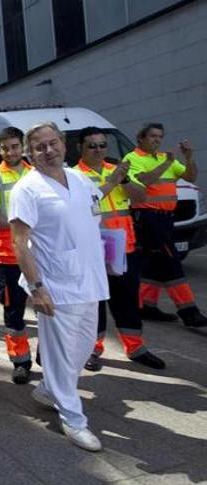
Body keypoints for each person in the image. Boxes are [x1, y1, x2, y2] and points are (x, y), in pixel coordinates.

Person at [9, 121, 107, 452]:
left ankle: (50, 389)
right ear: (29, 153)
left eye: (53, 143)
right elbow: (19, 243)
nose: (48, 150)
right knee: (63, 356)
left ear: (64, 145)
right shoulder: (27, 188)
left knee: (82, 348)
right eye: (39, 146)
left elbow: (91, 219)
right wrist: (37, 287)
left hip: (89, 278)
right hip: (55, 284)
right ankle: (73, 419)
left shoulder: (81, 179)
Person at [72, 128, 166, 371]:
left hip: (122, 246)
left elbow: (139, 197)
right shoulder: (73, 176)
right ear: (80, 148)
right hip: (92, 248)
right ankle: (92, 348)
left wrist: (123, 179)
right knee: (95, 301)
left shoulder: (117, 170)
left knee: (127, 299)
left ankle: (135, 347)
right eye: (92, 145)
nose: (99, 150)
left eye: (103, 145)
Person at [126, 123, 207, 327]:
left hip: (166, 218)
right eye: (153, 136)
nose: (157, 140)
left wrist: (188, 158)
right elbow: (143, 181)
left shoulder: (165, 158)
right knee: (171, 261)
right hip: (147, 217)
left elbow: (189, 177)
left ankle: (145, 305)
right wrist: (166, 163)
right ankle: (189, 311)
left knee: (155, 262)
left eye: (160, 136)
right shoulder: (132, 158)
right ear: (141, 138)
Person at [0, 127, 34, 384]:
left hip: (38, 253)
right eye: (5, 148)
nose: (10, 152)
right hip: (8, 255)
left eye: (15, 146)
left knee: (49, 307)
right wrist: (26, 221)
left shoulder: (35, 172)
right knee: (13, 312)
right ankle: (21, 361)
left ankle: (48, 355)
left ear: (22, 146)